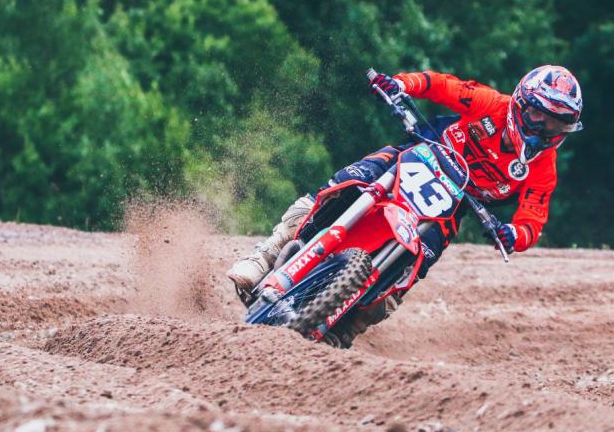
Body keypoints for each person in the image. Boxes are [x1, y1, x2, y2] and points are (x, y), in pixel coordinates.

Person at [226, 65, 583, 346]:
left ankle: (346, 330)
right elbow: (442, 86)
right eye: (538, 116)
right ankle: (266, 255)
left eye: (556, 123)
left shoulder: (543, 167)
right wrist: (400, 84)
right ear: (520, 104)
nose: (543, 128)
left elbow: (533, 217)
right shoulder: (491, 104)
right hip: (415, 156)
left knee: (410, 272)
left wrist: (513, 235)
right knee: (339, 188)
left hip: (451, 207)